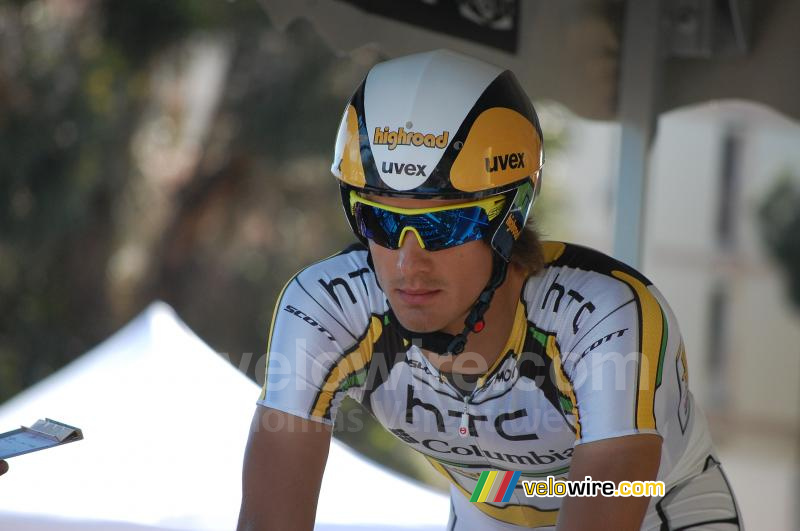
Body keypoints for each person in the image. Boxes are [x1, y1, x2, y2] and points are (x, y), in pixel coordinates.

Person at [237, 49, 741, 530]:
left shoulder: (603, 317)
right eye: (379, 221)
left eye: (442, 226)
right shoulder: (326, 308)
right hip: (488, 512)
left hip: (657, 509)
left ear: (509, 217)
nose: (408, 263)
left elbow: (616, 493)